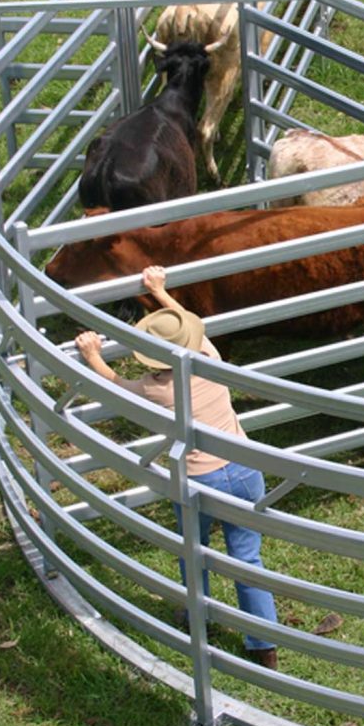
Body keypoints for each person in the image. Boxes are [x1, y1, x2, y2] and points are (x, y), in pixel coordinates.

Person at [74, 265, 280, 670]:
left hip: (198, 480)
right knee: (247, 559)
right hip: (242, 467)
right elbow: (190, 327)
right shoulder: (208, 357)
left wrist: (91, 354)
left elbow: (115, 384)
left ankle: (194, 613)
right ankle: (263, 647)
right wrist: (161, 291)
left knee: (192, 550)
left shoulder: (154, 390)